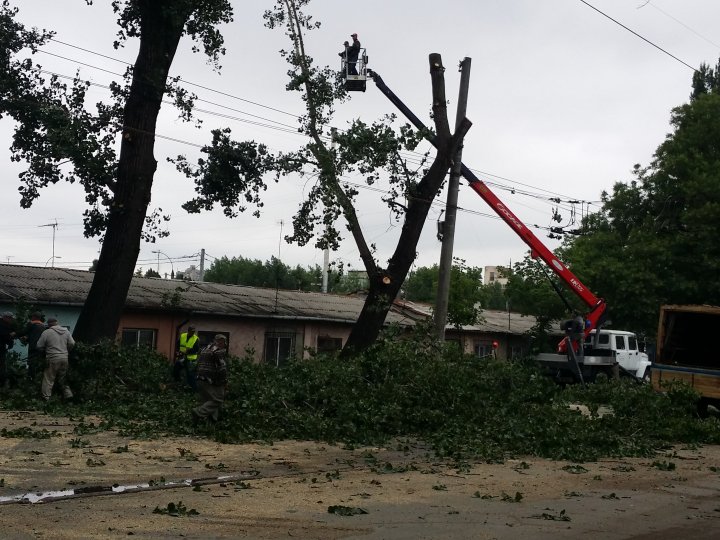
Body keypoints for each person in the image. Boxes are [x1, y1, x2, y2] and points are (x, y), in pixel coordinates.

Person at [35, 317, 74, 401]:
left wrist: (44, 351)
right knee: (62, 378)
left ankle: (46, 398)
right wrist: (66, 350)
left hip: (52, 358)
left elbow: (39, 346)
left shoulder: (47, 332)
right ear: (57, 323)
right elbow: (72, 343)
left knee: (48, 378)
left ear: (48, 325)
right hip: (64, 357)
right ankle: (68, 395)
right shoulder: (66, 331)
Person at [192, 334, 228, 424]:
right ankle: (198, 412)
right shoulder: (218, 350)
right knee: (218, 399)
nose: (225, 344)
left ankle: (212, 421)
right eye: (224, 342)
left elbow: (197, 363)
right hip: (209, 379)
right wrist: (224, 381)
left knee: (209, 400)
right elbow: (222, 368)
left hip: (199, 378)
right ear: (221, 341)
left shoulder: (204, 349)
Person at [18, 312, 47, 380]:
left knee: (31, 363)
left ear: (34, 317)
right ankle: (36, 378)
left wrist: (16, 334)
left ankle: (30, 378)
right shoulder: (43, 326)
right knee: (37, 363)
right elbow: (36, 334)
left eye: (32, 316)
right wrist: (27, 337)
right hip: (41, 347)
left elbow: (24, 331)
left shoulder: (31, 324)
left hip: (33, 346)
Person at [174, 325, 200, 390]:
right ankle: (178, 381)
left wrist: (188, 351)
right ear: (188, 331)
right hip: (182, 357)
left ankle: (194, 389)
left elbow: (196, 349)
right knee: (176, 366)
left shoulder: (196, 338)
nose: (192, 333)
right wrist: (177, 352)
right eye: (191, 331)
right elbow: (178, 344)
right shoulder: (183, 336)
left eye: (193, 332)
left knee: (190, 375)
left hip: (191, 359)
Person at [0, 312, 16, 390]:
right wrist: (11, 335)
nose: (11, 320)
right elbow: (4, 336)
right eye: (10, 318)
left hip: (2, 347)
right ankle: (2, 384)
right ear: (5, 317)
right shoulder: (2, 325)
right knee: (2, 366)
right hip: (1, 348)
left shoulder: (6, 325)